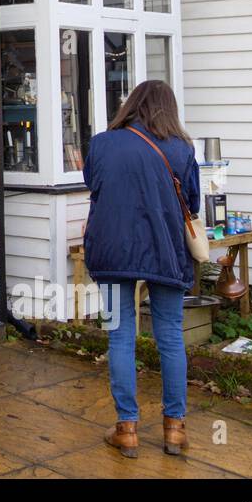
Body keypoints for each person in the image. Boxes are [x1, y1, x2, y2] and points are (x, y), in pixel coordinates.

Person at [82, 80, 199, 459]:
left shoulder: (102, 143)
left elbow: (94, 187)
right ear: (170, 109)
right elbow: (193, 202)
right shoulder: (181, 148)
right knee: (169, 335)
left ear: (130, 105)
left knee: (120, 335)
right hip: (165, 250)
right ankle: (175, 430)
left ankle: (127, 429)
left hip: (113, 249)